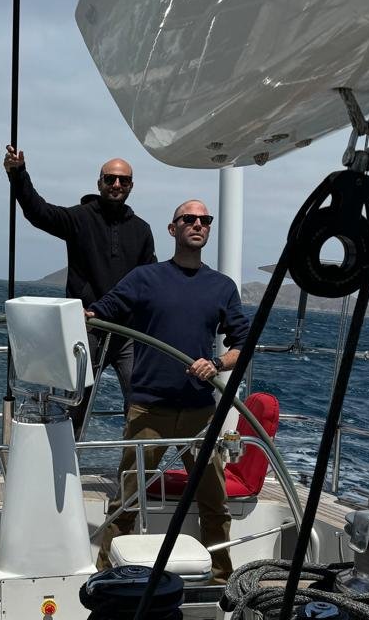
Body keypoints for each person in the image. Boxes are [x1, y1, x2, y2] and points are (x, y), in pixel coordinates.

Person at [86, 199, 249, 582]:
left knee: (214, 503)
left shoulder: (222, 287)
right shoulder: (146, 278)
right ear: (173, 229)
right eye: (188, 219)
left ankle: (223, 580)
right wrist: (78, 315)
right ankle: (105, 576)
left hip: (199, 412)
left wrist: (218, 363)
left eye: (204, 220)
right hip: (149, 410)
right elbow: (104, 310)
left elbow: (243, 343)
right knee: (126, 501)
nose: (198, 224)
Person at [4, 145, 155, 433]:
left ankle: (133, 470)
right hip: (87, 329)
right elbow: (38, 212)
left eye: (123, 180)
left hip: (128, 335)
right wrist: (18, 174)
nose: (116, 184)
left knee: (140, 402)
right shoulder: (80, 218)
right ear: (99, 183)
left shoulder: (142, 230)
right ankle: (63, 469)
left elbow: (149, 280)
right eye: (110, 179)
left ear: (131, 186)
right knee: (75, 402)